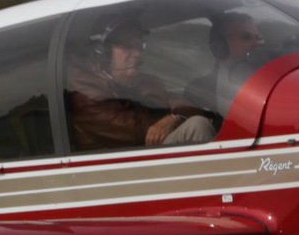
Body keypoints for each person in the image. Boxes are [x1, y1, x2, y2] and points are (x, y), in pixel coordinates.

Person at [67, 18, 216, 151]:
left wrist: (174, 118)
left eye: (139, 46)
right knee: (197, 125)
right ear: (102, 53)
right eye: (127, 46)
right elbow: (136, 133)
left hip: (147, 161)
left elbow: (189, 106)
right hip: (118, 171)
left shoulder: (146, 82)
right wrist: (167, 118)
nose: (137, 53)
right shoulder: (84, 88)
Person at [183, 10, 266, 120]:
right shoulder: (199, 88)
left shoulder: (268, 77)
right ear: (220, 43)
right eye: (246, 37)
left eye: (258, 37)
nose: (255, 44)